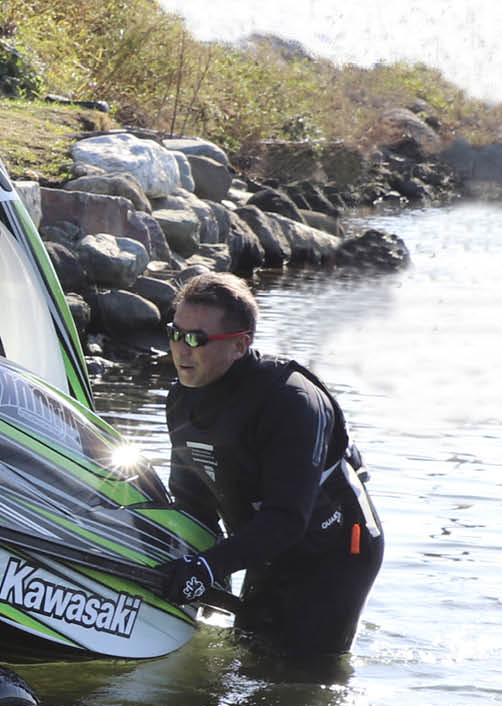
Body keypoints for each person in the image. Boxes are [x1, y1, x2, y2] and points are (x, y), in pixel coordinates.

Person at [160, 271, 383, 657]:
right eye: (175, 333)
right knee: (250, 652)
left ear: (240, 345)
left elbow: (287, 518)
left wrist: (209, 568)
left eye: (196, 339)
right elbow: (191, 502)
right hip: (267, 541)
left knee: (298, 677)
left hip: (335, 550)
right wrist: (198, 565)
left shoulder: (290, 402)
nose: (181, 349)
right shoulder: (182, 398)